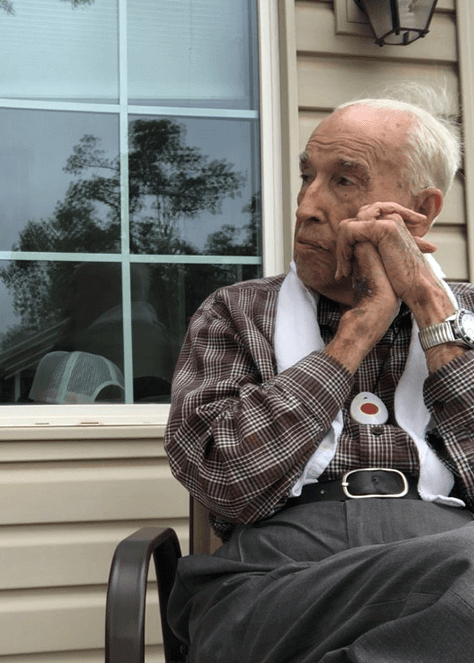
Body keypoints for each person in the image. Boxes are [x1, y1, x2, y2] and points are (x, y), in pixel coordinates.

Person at [164, 88, 474, 662]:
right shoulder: (236, 312)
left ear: (423, 210)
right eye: (308, 176)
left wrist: (431, 308)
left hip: (445, 553)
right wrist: (357, 330)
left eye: (344, 181)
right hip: (271, 581)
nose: (307, 204)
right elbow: (224, 480)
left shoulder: (465, 317)